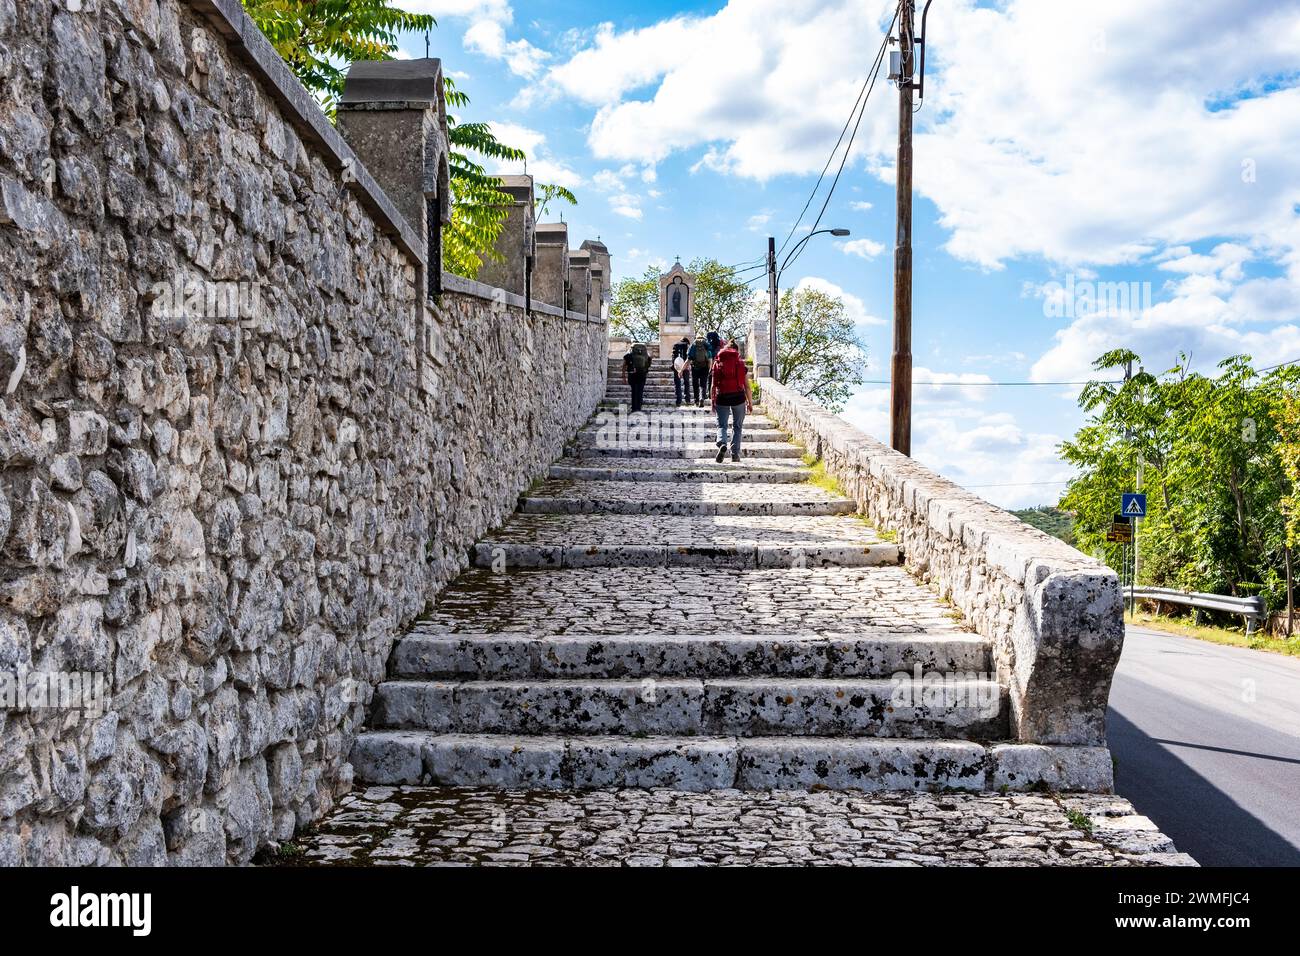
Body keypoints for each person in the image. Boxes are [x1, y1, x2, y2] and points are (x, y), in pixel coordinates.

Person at [710, 339, 753, 463]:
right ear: (737, 351)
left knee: (722, 425)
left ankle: (722, 443)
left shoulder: (717, 363)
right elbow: (747, 386)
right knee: (737, 426)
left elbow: (713, 385)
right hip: (738, 398)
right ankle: (735, 454)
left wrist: (712, 401)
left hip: (722, 397)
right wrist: (750, 403)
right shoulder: (740, 364)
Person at [622, 342, 651, 412]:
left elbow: (624, 365)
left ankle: (634, 408)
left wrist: (623, 376)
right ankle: (639, 407)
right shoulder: (646, 355)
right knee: (640, 391)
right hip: (642, 374)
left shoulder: (628, 355)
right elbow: (649, 363)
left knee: (634, 391)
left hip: (632, 374)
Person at [688, 335, 711, 407]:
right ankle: (702, 398)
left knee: (695, 384)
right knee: (703, 384)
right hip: (705, 367)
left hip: (695, 367)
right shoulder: (706, 345)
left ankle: (696, 401)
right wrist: (710, 368)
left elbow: (689, 358)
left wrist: (681, 370)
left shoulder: (693, 345)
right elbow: (710, 358)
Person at [671, 336, 691, 407]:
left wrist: (676, 367)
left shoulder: (675, 345)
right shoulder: (687, 345)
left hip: (677, 366)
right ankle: (687, 400)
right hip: (685, 366)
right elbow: (689, 357)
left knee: (677, 383)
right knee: (686, 382)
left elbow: (673, 357)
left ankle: (678, 401)